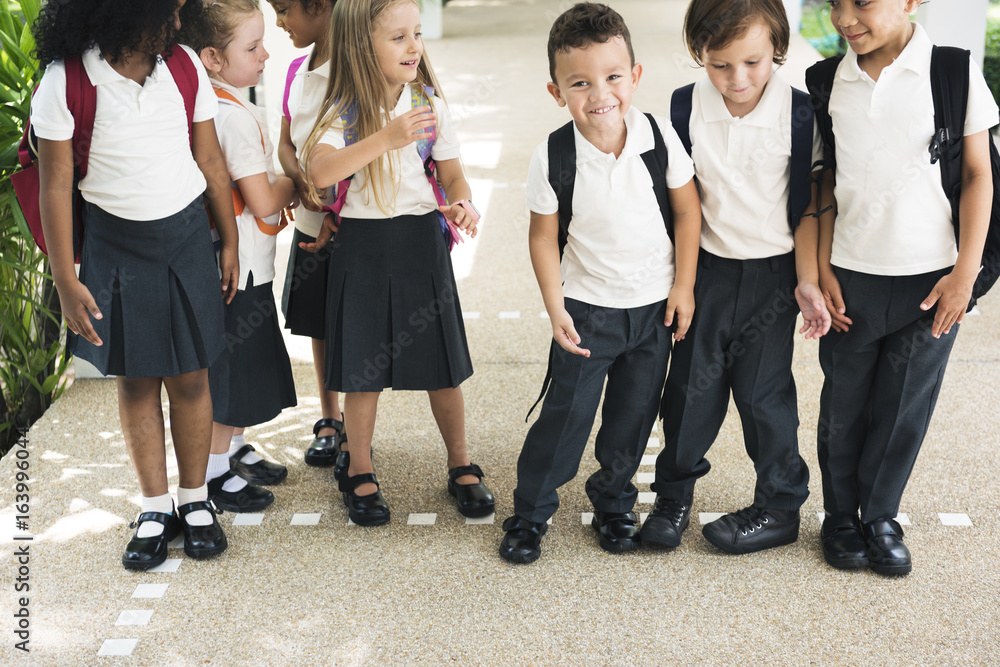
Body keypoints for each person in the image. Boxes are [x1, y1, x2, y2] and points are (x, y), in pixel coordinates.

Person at [32, 0, 235, 568]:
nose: (177, 22)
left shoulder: (184, 66)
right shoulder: (65, 81)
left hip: (189, 237)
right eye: (165, 12)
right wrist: (65, 276)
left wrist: (230, 240)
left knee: (192, 374)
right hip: (114, 246)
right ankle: (154, 505)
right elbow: (55, 186)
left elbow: (211, 161)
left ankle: (196, 500)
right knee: (137, 380)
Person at [498, 2, 701, 564]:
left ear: (634, 76)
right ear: (555, 90)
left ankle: (614, 500)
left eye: (613, 77)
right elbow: (543, 237)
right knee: (565, 417)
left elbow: (687, 214)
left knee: (632, 418)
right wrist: (555, 305)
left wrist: (683, 287)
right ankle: (531, 512)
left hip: (654, 310)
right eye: (580, 83)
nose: (600, 94)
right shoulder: (555, 154)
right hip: (587, 311)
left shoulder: (658, 137)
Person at [811, 0, 996, 575]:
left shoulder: (953, 72)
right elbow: (824, 182)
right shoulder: (824, 81)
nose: (845, 17)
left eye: (861, 2)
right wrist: (820, 270)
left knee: (905, 406)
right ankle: (841, 515)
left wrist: (965, 274)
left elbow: (976, 174)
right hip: (851, 278)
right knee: (842, 403)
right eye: (834, 3)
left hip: (931, 282)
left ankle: (881, 515)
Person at [643, 0, 830, 556]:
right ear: (699, 53)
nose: (737, 79)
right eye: (720, 64)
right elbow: (678, 204)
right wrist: (680, 282)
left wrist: (806, 281)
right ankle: (673, 496)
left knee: (764, 395)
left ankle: (778, 505)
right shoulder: (684, 109)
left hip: (774, 280)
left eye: (752, 62)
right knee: (688, 392)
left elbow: (810, 206)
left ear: (777, 46)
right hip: (706, 273)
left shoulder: (800, 114)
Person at [300, 0, 494, 526]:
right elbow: (319, 172)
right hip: (361, 244)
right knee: (362, 369)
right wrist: (387, 136)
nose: (414, 47)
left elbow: (452, 174)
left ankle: (461, 462)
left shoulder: (428, 104)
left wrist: (462, 201)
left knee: (442, 364)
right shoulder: (341, 109)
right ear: (364, 45)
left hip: (418, 240)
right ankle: (358, 466)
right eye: (399, 37)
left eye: (417, 34)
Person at [192, 0, 299, 510]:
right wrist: (299, 184)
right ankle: (215, 474)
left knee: (242, 369)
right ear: (212, 56)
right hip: (241, 270)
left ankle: (231, 450)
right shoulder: (229, 116)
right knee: (231, 376)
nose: (265, 54)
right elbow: (261, 199)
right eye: (252, 47)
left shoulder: (224, 101)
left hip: (249, 263)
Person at [267, 0, 349, 474]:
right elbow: (285, 140)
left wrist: (335, 202)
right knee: (319, 323)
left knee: (353, 325)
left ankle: (357, 428)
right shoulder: (297, 69)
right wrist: (300, 179)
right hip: (309, 223)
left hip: (352, 223)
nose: (279, 23)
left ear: (319, 6)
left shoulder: (358, 67)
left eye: (283, 10)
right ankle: (329, 416)